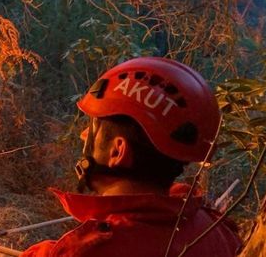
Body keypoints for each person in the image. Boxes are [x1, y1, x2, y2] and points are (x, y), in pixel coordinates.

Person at [20, 57, 241, 257]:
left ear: (117, 151)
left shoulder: (90, 251)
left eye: (94, 130)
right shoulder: (216, 231)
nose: (83, 134)